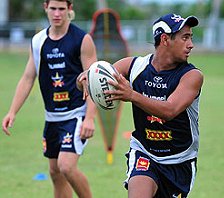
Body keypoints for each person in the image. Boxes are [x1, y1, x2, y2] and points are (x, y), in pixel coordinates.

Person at [78, 13, 204, 197]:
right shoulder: (135, 66)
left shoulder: (192, 76)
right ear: (165, 39)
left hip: (179, 161)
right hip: (144, 151)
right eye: (185, 38)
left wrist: (132, 95)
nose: (191, 44)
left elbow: (170, 110)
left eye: (191, 38)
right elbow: (94, 77)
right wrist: (85, 79)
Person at [2, 0, 97, 197]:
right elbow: (28, 77)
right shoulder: (38, 41)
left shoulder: (82, 39)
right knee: (55, 172)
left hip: (75, 115)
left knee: (66, 166)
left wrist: (89, 118)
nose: (57, 14)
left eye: (61, 9)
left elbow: (94, 80)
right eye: (53, 8)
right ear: (45, 7)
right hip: (52, 117)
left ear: (69, 9)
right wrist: (12, 111)